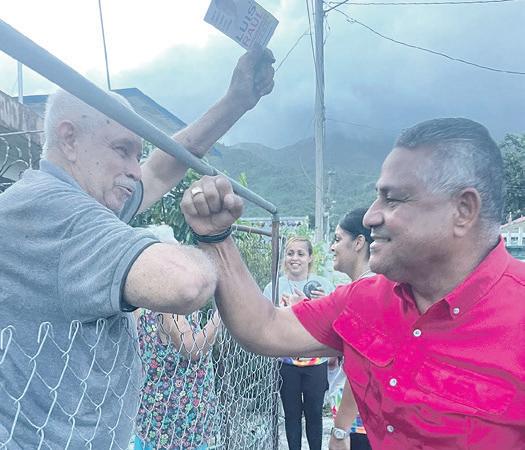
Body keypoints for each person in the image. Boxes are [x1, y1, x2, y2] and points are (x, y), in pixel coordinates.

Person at [180, 118, 525, 450]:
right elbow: (264, 328)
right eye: (377, 197)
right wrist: (216, 239)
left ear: (463, 210)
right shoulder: (364, 300)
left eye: (393, 199)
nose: (370, 216)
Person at [0, 48, 274, 449]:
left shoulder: (74, 194)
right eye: (122, 150)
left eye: (137, 154)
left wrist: (236, 101)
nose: (134, 169)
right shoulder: (59, 213)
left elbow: (161, 170)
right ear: (69, 139)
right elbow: (186, 283)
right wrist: (211, 236)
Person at [263, 236, 334, 450]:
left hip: (316, 361)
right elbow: (266, 321)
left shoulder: (323, 285)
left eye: (301, 254)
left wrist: (321, 304)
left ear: (310, 258)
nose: (295, 258)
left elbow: (334, 322)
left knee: (314, 415)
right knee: (291, 415)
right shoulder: (274, 286)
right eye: (290, 253)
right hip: (286, 362)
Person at [134, 309, 221, 450]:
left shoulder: (143, 306)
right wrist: (222, 314)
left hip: (160, 420)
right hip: (175, 426)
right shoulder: (166, 307)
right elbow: (193, 349)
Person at [327, 209, 373, 450]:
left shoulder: (365, 295)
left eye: (337, 239)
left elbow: (362, 369)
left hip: (361, 425)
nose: (332, 247)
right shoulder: (368, 287)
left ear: (358, 242)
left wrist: (340, 430)